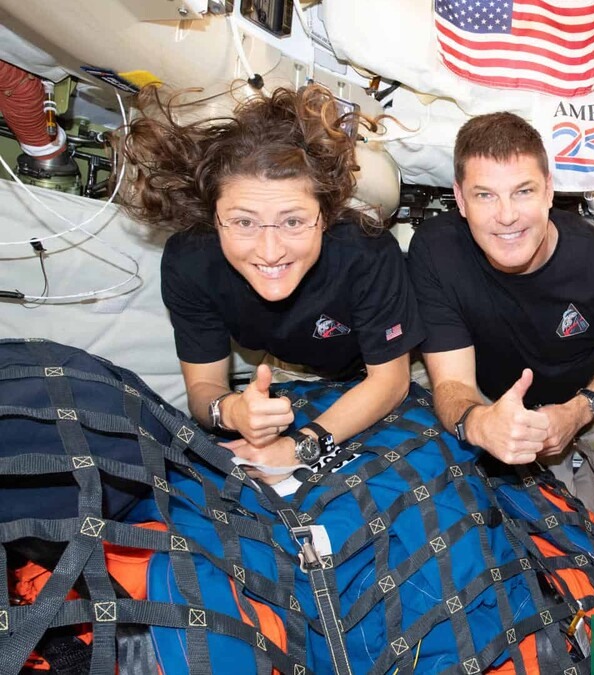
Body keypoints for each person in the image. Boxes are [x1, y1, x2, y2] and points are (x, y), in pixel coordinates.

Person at [406, 112, 594, 567]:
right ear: (460, 199)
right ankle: (580, 475)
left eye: (522, 191)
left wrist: (581, 409)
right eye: (485, 195)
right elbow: (452, 384)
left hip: (593, 395)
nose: (507, 216)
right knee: (557, 544)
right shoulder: (435, 251)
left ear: (548, 190)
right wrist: (481, 424)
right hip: (502, 406)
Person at [120, 85, 424, 482]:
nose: (270, 251)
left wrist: (298, 448)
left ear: (325, 216)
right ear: (214, 218)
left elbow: (390, 381)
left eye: (293, 221)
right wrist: (231, 411)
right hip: (294, 369)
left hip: (393, 366)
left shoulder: (366, 252)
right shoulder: (190, 262)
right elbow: (204, 386)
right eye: (244, 222)